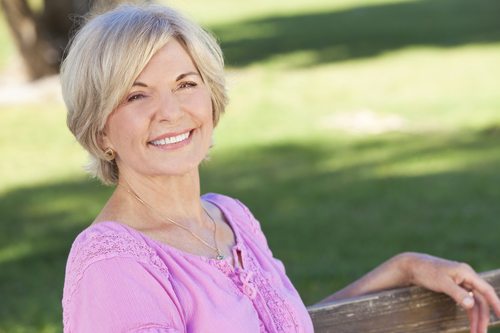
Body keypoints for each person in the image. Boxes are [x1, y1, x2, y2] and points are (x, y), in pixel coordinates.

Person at [60, 3, 500, 333]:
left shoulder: (229, 217)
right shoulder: (112, 263)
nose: (170, 112)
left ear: (211, 100)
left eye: (186, 84)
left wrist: (402, 269)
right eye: (137, 95)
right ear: (100, 131)